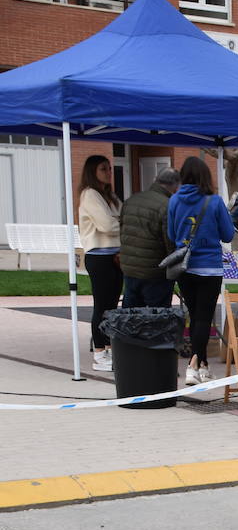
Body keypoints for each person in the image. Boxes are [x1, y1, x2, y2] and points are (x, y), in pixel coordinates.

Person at [167, 157, 235, 386]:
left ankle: (203, 365)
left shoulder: (175, 200)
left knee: (195, 316)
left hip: (185, 266)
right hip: (210, 267)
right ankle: (193, 366)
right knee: (204, 318)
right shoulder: (214, 202)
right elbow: (227, 235)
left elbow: (170, 233)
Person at [77, 154, 122, 372]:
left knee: (112, 306)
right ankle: (99, 351)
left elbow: (122, 218)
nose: (108, 172)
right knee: (102, 305)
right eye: (103, 169)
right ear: (93, 171)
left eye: (110, 168)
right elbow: (107, 225)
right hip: (98, 256)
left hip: (115, 256)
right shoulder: (90, 195)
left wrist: (119, 223)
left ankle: (109, 346)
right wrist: (120, 223)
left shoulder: (110, 196)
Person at [119, 168, 179, 309]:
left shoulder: (131, 200)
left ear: (156, 180)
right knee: (158, 319)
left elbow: (122, 231)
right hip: (155, 273)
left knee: (131, 317)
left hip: (130, 269)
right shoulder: (167, 205)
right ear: (176, 186)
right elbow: (169, 242)